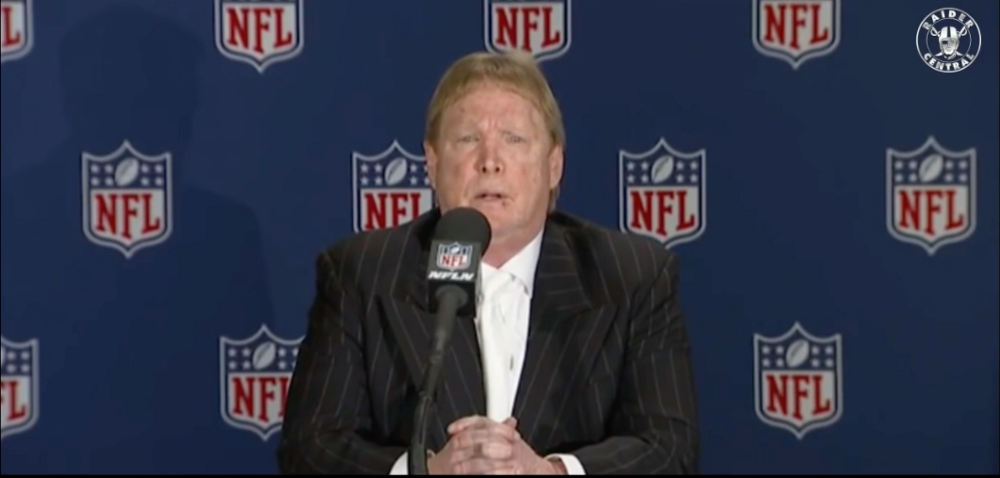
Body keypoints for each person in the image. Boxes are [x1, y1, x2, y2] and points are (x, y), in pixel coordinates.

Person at [277, 50, 699, 475]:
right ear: (432, 162)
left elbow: (668, 448)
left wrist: (551, 473)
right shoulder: (362, 274)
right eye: (467, 139)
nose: (490, 161)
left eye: (514, 139)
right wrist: (426, 472)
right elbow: (311, 448)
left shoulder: (631, 277)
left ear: (554, 164)